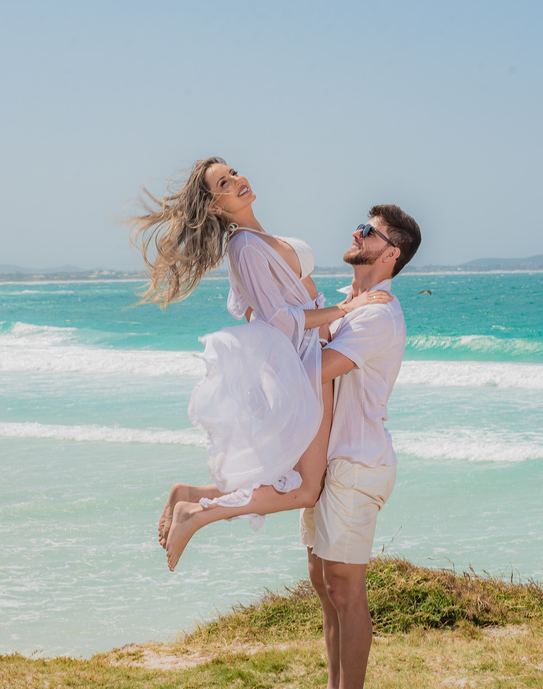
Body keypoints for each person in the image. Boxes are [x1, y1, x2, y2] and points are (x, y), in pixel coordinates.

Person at [129, 157, 394, 570]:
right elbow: (280, 321)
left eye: (232, 173)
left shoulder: (256, 238)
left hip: (304, 354)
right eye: (223, 183)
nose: (237, 180)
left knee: (289, 479)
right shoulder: (244, 246)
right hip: (305, 360)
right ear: (214, 206)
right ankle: (196, 515)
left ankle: (192, 496)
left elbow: (248, 306)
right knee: (306, 489)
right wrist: (346, 309)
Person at [290, 204, 420, 689]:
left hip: (356, 463)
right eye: (360, 226)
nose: (356, 233)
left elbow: (314, 369)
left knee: (346, 590)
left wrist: (295, 332)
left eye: (369, 232)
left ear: (391, 253)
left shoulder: (375, 316)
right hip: (330, 460)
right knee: (323, 583)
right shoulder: (350, 306)